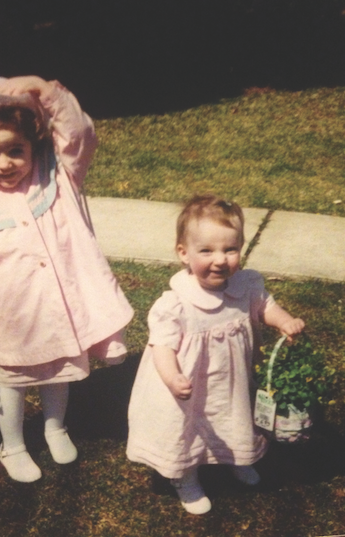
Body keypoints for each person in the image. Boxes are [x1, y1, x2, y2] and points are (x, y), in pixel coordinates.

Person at [0, 75, 133, 482]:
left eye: (15, 150)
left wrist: (47, 91)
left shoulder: (56, 177)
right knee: (13, 379)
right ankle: (14, 444)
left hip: (59, 305)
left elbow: (79, 133)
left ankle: (55, 426)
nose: (4, 163)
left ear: (34, 145)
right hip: (11, 313)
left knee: (57, 371)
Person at [126, 194, 304, 514]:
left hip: (230, 379)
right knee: (185, 428)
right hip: (187, 384)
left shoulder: (245, 286)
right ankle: (185, 475)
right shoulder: (176, 304)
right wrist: (172, 377)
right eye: (206, 250)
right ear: (184, 253)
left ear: (241, 248)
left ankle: (236, 456)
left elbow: (265, 306)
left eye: (230, 249)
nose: (220, 260)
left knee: (233, 416)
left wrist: (284, 320)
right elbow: (162, 347)